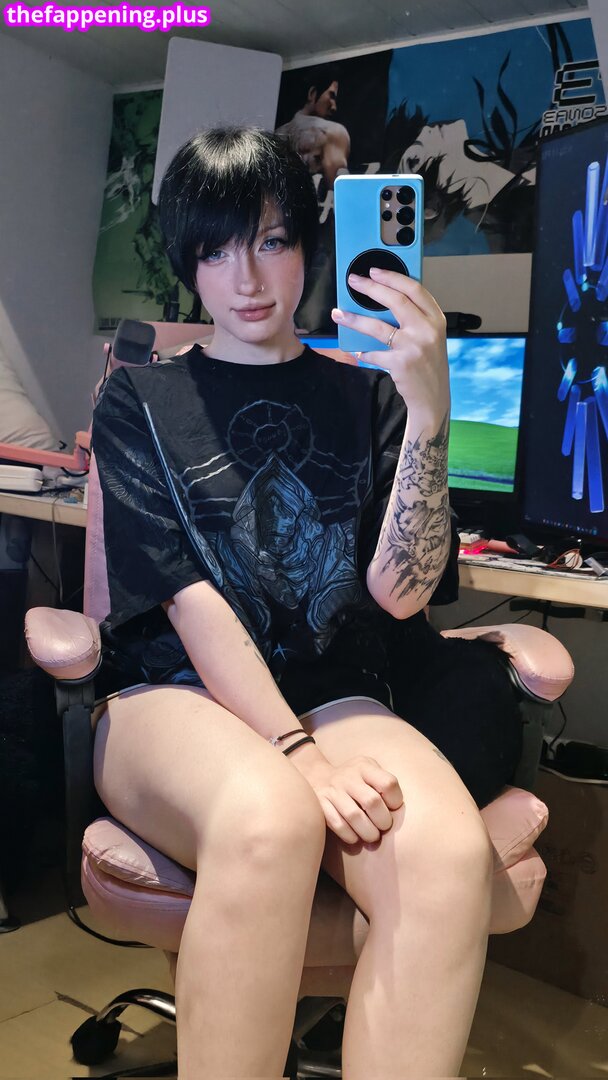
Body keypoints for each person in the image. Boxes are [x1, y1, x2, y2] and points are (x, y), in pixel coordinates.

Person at [91, 127, 522, 1079]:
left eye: (272, 241)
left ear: (307, 247)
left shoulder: (369, 399)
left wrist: (430, 414)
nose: (246, 278)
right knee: (271, 817)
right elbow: (188, 600)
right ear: (187, 262)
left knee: (448, 857)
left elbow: (400, 595)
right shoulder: (139, 401)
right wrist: (298, 754)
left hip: (337, 690)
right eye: (216, 250)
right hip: (176, 694)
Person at [276, 69, 350, 190]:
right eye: (331, 96)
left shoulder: (278, 133)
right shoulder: (333, 132)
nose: (334, 107)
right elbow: (341, 190)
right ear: (312, 93)